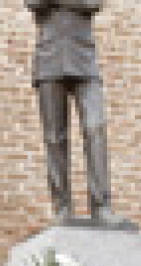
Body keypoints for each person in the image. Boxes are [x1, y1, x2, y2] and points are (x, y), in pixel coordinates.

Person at [25, 0, 121, 224]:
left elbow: (94, 4)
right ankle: (62, 207)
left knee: (95, 129)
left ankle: (101, 206)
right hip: (50, 59)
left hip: (84, 59)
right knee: (54, 138)